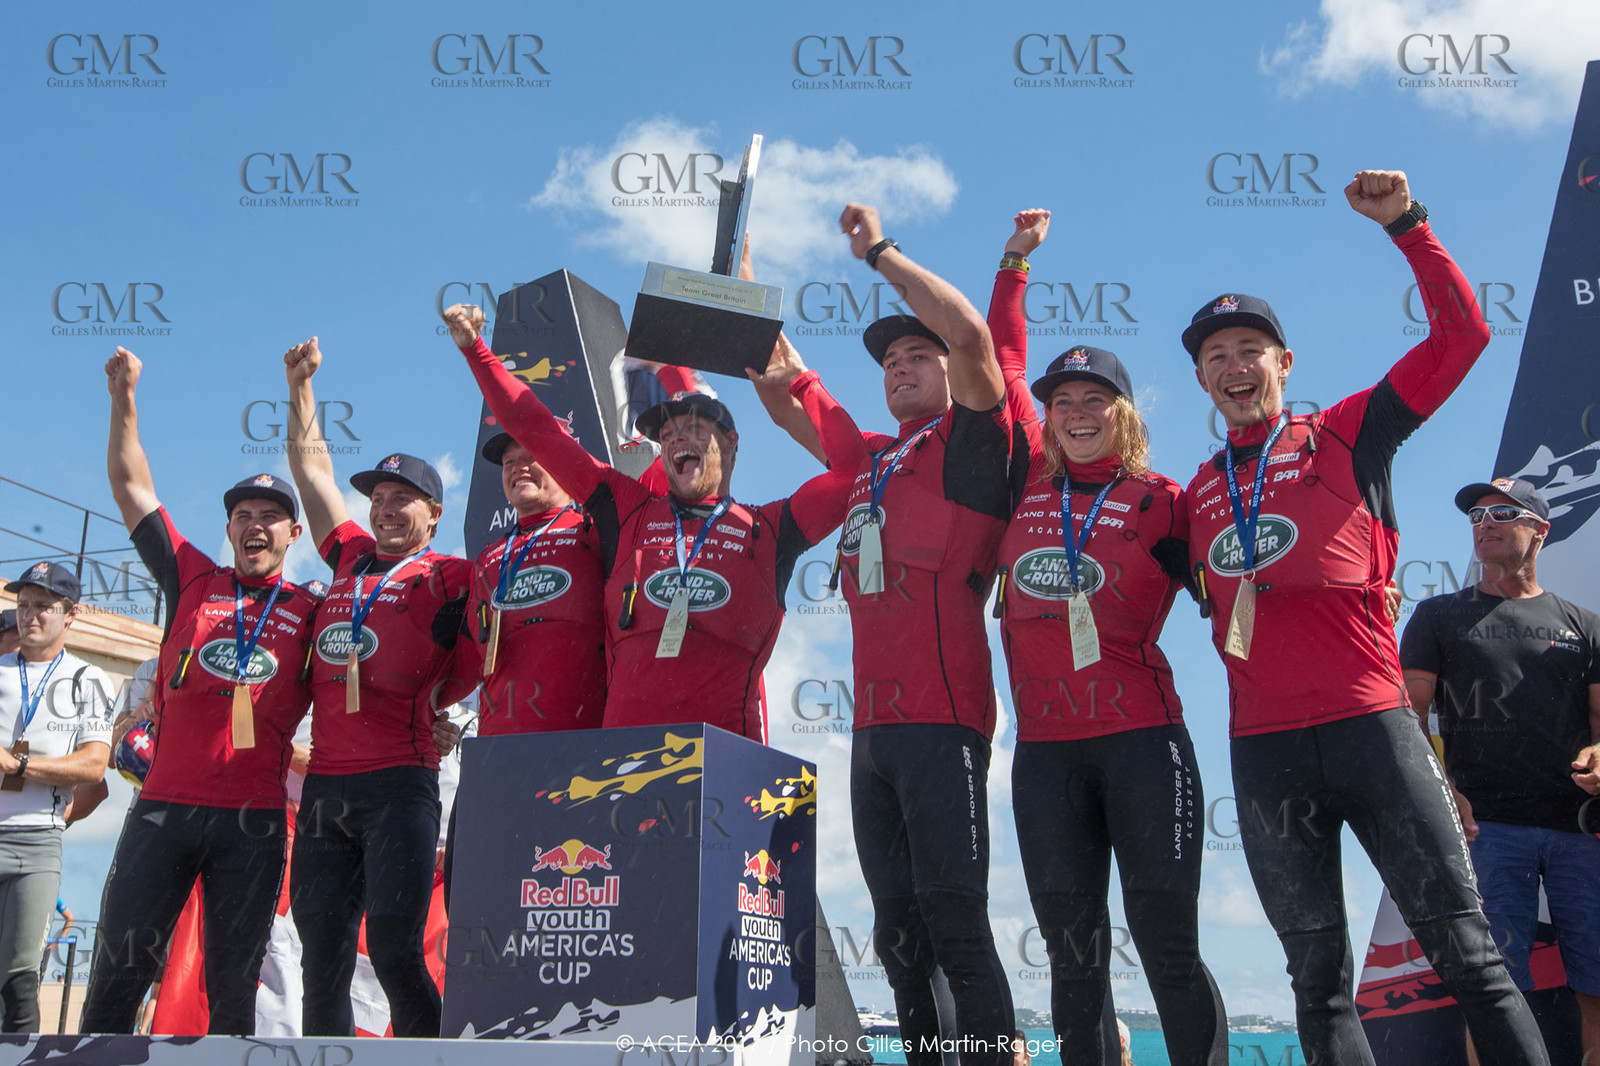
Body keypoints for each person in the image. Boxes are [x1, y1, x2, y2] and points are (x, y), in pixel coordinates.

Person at [1183, 169, 1546, 1064]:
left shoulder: (1348, 431)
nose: (1235, 367)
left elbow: (1462, 336)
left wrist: (1407, 225)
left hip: (1372, 729)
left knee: (1470, 955)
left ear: (1284, 364)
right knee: (1315, 976)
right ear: (1200, 376)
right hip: (1264, 750)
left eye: (1250, 349)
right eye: (1215, 355)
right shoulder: (1189, 496)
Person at [987, 210, 1226, 1065]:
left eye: (1095, 401)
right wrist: (1015, 261)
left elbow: (1240, 589)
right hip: (1045, 755)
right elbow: (1004, 360)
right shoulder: (1021, 483)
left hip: (1142, 743)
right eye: (1063, 403)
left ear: (1124, 416)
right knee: (1073, 961)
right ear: (1045, 418)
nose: (1076, 412)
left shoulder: (1168, 501)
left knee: (1167, 947)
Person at [441, 304, 864, 741]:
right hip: (621, 765)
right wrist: (476, 350)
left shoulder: (771, 528)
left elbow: (856, 472)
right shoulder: (626, 509)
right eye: (667, 433)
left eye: (696, 428)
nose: (678, 437)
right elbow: (537, 431)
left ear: (730, 442)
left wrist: (802, 381)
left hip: (726, 765)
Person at [815, 202, 1018, 1066]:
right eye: (890, 361)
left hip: (944, 718)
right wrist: (732, 296)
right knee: (897, 931)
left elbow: (975, 337)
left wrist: (882, 254)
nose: (901, 368)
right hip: (871, 733)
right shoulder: (871, 458)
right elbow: (791, 389)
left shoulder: (974, 439)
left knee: (956, 922)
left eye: (915, 355)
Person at [80, 347, 318, 1035]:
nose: (255, 525)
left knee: (233, 992)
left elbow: (382, 661)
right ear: (229, 528)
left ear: (293, 533)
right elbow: (131, 486)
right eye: (243, 513)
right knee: (116, 977)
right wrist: (123, 397)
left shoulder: (312, 609)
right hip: (162, 813)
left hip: (254, 823)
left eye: (270, 516)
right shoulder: (191, 578)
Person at [282, 337, 474, 1038]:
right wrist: (301, 389)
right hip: (329, 789)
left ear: (434, 516)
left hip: (402, 784)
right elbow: (313, 475)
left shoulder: (452, 575)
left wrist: (443, 702)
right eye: (380, 498)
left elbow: (491, 656)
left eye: (404, 500)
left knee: (394, 951)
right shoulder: (347, 558)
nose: (386, 509)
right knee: (322, 959)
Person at [1402, 477, 1600, 1063]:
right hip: (1486, 829)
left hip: (1581, 833)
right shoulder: (1439, 616)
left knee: (1596, 982)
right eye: (1476, 516)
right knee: (1492, 987)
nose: (1484, 523)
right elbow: (1406, 719)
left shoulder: (1585, 626)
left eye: (1502, 513)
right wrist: (1446, 792)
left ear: (1539, 530)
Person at [0, 562, 113, 1032]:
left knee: (19, 982)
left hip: (37, 846)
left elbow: (93, 767)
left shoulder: (90, 680)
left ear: (70, 614)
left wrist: (19, 765)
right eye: (23, 605)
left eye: (43, 607)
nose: (30, 616)